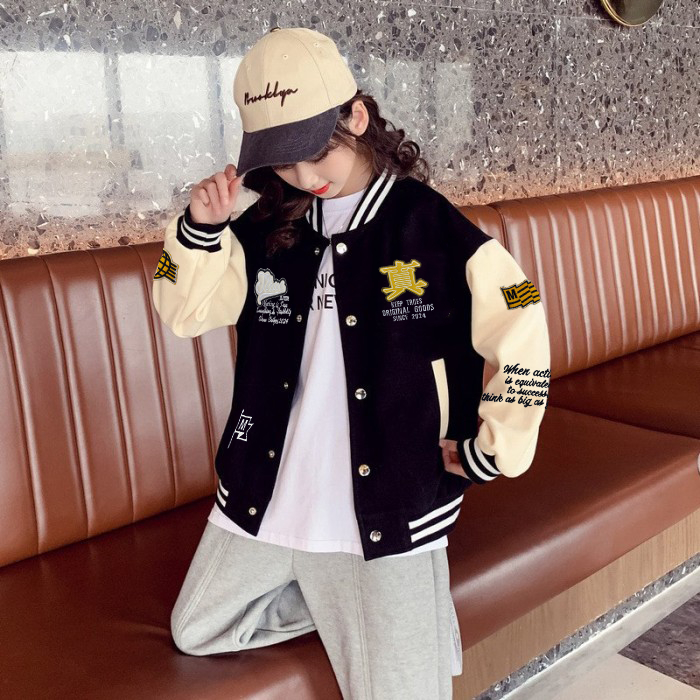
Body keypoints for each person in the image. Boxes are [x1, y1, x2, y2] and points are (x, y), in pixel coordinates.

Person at [151, 26, 551, 700]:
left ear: (357, 118)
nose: (306, 178)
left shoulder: (431, 226)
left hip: (388, 493)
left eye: (316, 152)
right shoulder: (261, 227)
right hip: (268, 483)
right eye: (283, 163)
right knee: (196, 627)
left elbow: (523, 309)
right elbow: (181, 308)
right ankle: (349, 607)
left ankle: (388, 613)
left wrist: (497, 446)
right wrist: (199, 231)